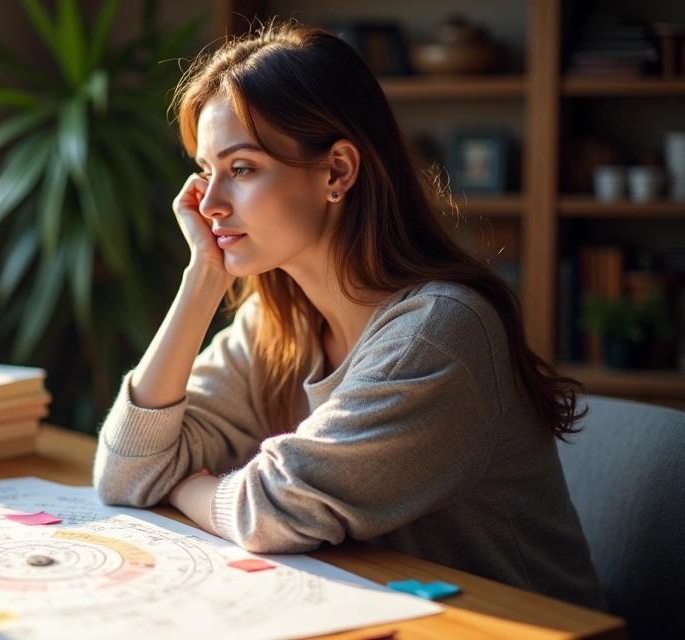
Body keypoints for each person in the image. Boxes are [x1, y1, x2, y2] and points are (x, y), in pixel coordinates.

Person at [92, 21, 606, 610]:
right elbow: (125, 473)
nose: (208, 205)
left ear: (337, 170)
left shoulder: (437, 332)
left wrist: (189, 485)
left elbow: (271, 511)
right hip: (380, 609)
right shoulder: (278, 324)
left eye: (240, 169)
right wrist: (202, 280)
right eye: (206, 172)